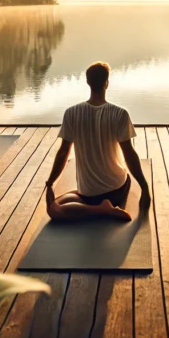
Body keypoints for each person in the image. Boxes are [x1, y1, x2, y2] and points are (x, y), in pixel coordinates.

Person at [44, 62, 150, 222]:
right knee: (60, 203)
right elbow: (129, 154)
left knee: (54, 209)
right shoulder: (119, 114)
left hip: (88, 194)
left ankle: (95, 209)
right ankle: (103, 209)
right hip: (117, 189)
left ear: (88, 82)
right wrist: (144, 187)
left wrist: (50, 183)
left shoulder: (71, 113)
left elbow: (63, 153)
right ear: (106, 83)